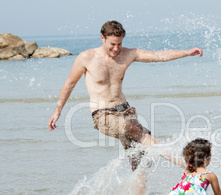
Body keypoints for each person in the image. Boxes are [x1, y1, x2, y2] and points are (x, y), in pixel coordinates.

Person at [48, 21, 203, 172]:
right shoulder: (86, 57)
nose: (116, 49)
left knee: (139, 160)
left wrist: (187, 52)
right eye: (112, 44)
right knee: (137, 130)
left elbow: (158, 55)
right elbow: (70, 83)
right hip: (103, 115)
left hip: (127, 111)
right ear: (102, 38)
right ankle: (187, 167)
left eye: (119, 44)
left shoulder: (128, 54)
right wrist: (57, 110)